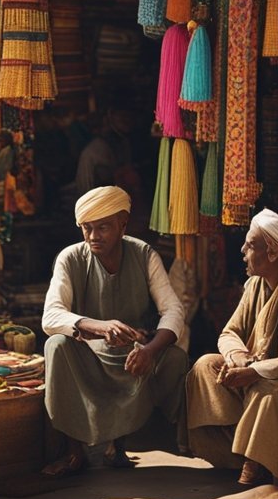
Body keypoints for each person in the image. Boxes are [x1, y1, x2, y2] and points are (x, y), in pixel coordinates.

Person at [184, 209, 278, 499]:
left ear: (272, 251)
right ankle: (243, 457)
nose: (242, 251)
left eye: (250, 245)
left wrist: (255, 371)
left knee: (270, 392)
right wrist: (239, 359)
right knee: (206, 366)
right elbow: (229, 333)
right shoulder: (254, 286)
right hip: (255, 376)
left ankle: (276, 485)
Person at [40, 185, 188, 477]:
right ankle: (74, 452)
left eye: (103, 227)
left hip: (133, 356)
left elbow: (173, 311)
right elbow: (51, 315)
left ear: (123, 224)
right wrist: (98, 326)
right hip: (90, 358)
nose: (93, 236)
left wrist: (149, 350)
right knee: (56, 345)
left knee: (174, 359)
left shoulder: (144, 254)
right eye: (87, 228)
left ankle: (123, 444)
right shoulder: (70, 258)